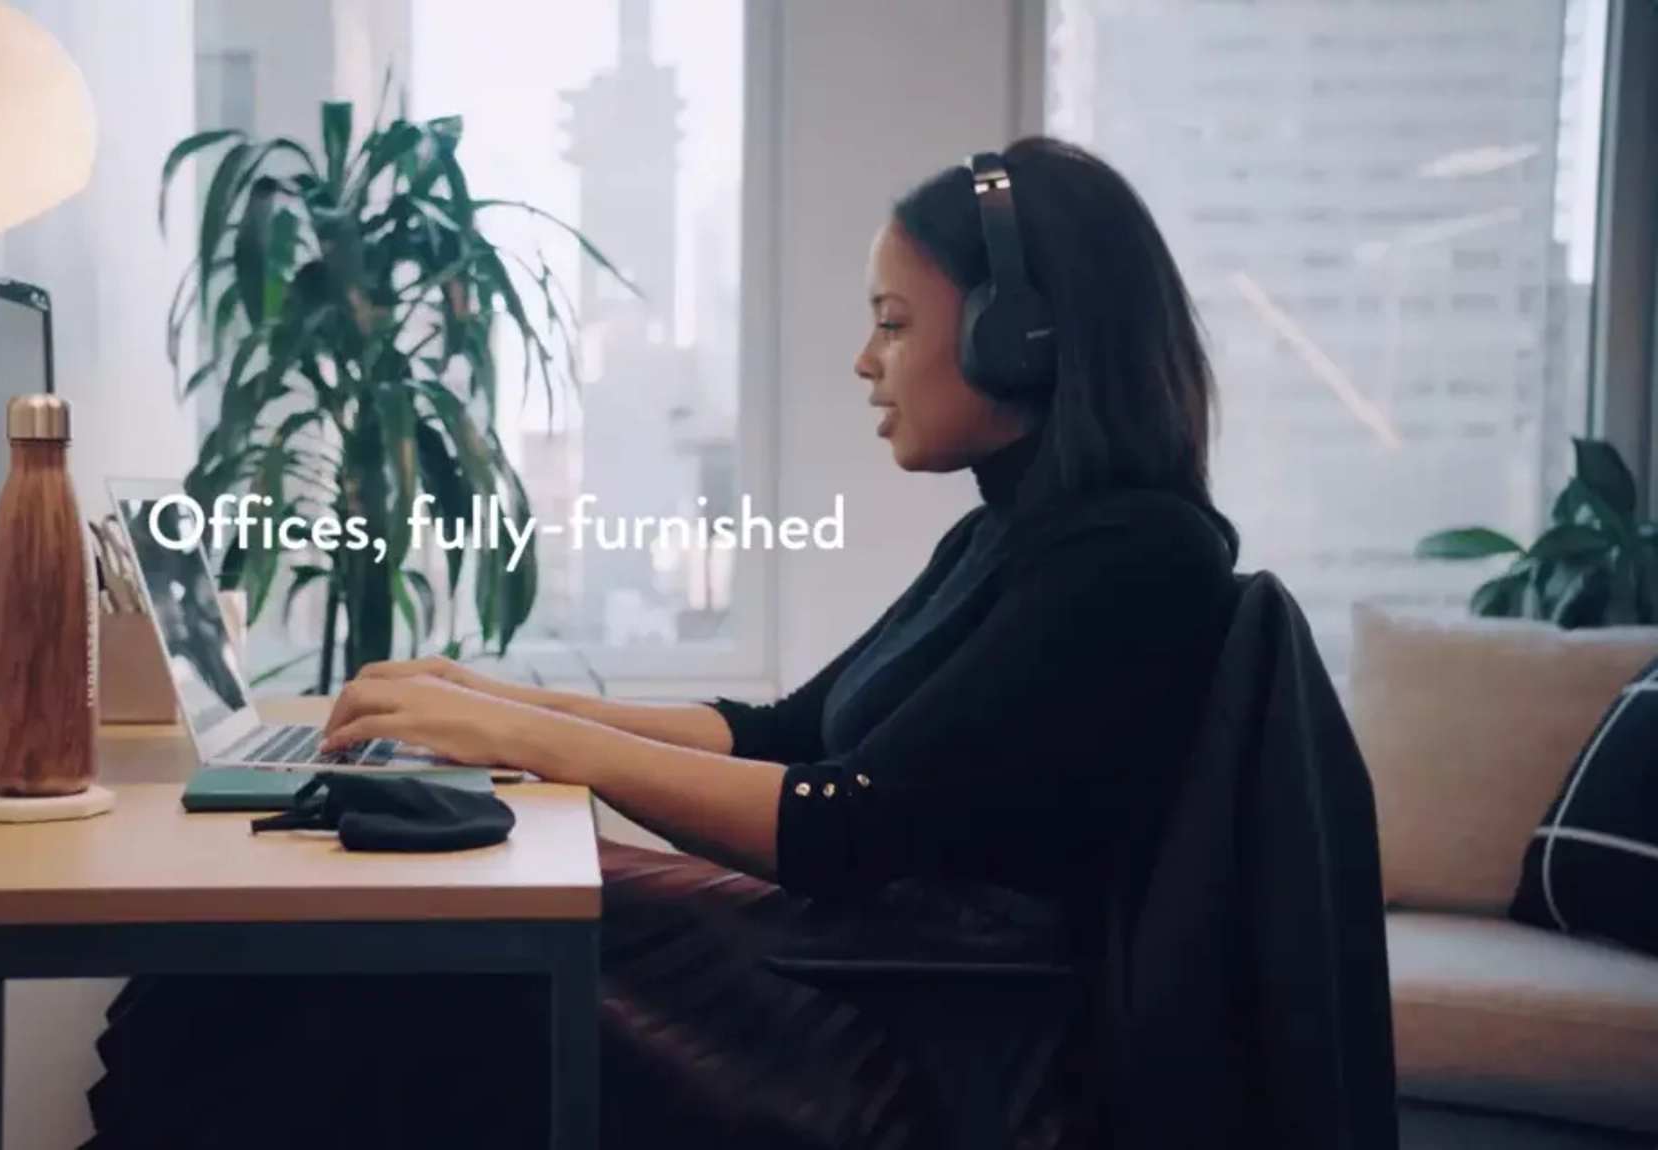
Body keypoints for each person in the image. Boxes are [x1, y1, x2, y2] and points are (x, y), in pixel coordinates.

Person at [81, 136, 1242, 1150]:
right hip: (851, 963)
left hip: (890, 1033)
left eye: (892, 322)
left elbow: (841, 820)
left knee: (318, 977)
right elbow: (785, 734)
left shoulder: (1131, 560)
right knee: (269, 965)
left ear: (1019, 337)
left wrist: (522, 736)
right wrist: (495, 702)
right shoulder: (1013, 535)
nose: (863, 359)